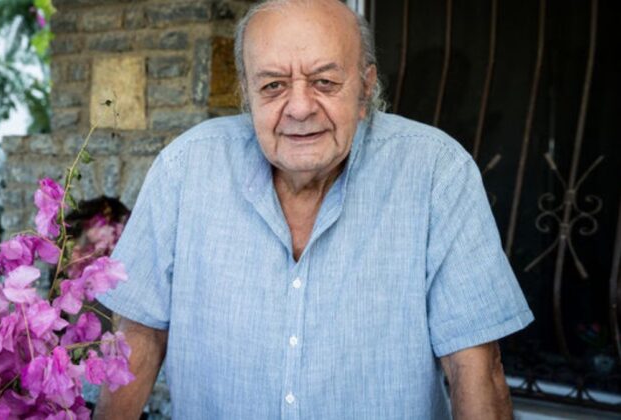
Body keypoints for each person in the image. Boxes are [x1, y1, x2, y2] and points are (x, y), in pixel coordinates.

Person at [95, 0, 533, 418]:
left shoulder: (437, 172)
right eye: (273, 85)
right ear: (247, 93)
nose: (300, 108)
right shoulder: (184, 168)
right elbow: (138, 337)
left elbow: (475, 367)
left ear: (365, 87)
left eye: (324, 82)